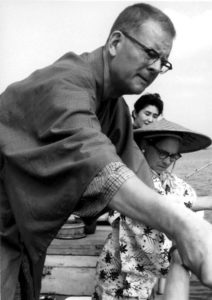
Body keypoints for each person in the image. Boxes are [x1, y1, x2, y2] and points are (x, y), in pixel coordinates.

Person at [1, 3, 212, 300]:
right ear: (115, 43)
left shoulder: (114, 108)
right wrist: (184, 226)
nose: (155, 67)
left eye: (163, 61)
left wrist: (175, 235)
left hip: (22, 237)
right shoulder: (63, 85)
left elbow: (135, 169)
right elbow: (98, 165)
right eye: (151, 53)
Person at [93, 118, 212, 299]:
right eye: (163, 153)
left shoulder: (168, 179)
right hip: (119, 272)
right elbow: (162, 201)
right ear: (145, 145)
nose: (167, 161)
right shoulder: (129, 176)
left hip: (145, 276)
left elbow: (185, 196)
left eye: (173, 156)